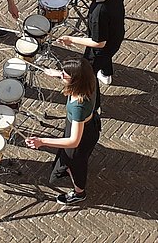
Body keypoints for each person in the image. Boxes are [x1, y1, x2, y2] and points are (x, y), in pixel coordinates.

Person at [25, 58, 101, 205]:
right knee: (76, 160)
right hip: (89, 126)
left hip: (81, 137)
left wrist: (42, 141)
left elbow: (74, 141)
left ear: (75, 80)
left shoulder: (78, 106)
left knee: (75, 165)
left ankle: (79, 193)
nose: (62, 76)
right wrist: (57, 73)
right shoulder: (89, 80)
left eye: (65, 74)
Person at [58, 0, 125, 86]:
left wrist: (71, 39)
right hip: (116, 35)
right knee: (106, 56)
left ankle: (95, 103)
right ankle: (106, 73)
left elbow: (99, 43)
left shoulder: (98, 14)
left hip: (102, 47)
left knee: (89, 73)